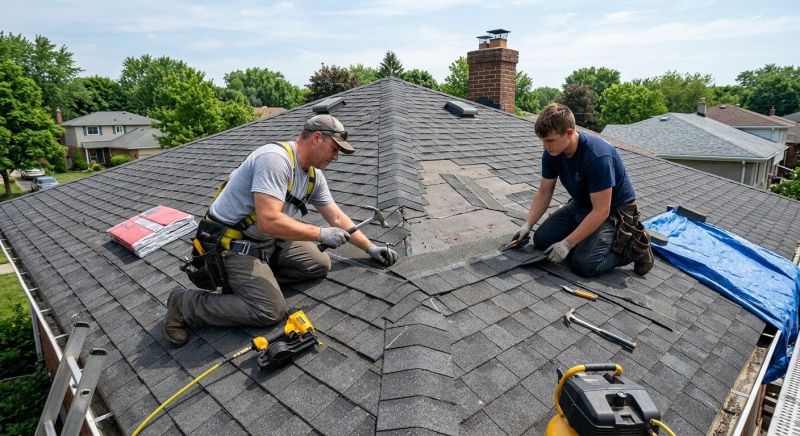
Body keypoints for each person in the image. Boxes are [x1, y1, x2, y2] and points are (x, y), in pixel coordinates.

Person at [164, 114, 399, 346]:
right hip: (231, 245)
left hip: (267, 241)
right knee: (269, 310)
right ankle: (184, 305)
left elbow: (336, 217)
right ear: (317, 138)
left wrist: (371, 248)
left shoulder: (313, 177)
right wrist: (320, 233)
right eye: (334, 149)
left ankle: (255, 281)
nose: (336, 157)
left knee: (319, 264)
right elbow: (268, 221)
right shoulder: (275, 159)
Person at [511, 103, 653, 278]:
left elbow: (602, 210)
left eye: (549, 141)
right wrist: (528, 224)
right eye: (542, 141)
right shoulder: (552, 153)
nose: (545, 147)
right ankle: (587, 240)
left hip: (614, 214)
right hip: (582, 204)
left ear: (569, 133)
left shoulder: (597, 156)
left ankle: (634, 248)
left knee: (584, 265)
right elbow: (544, 192)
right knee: (542, 240)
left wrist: (568, 243)